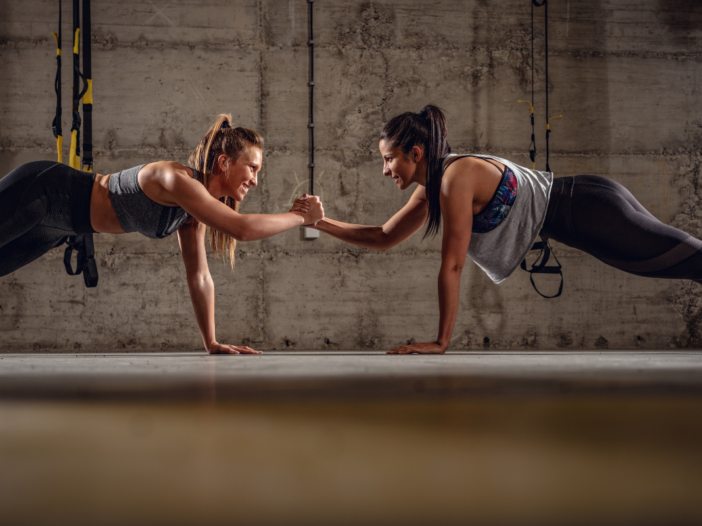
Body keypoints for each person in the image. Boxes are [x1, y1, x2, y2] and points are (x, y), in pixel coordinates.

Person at [301, 105, 702, 354]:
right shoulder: (432, 187)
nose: (385, 170)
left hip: (590, 208)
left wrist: (441, 342)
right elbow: (384, 237)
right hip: (586, 211)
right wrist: (319, 222)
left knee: (689, 261)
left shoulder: (455, 177)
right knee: (683, 264)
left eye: (389, 160)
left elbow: (453, 265)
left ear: (415, 154)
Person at [0, 114, 323, 354]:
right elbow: (242, 229)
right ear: (224, 163)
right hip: (43, 192)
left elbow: (199, 276)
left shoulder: (192, 211)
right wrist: (298, 217)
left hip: (60, 226)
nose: (254, 180)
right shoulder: (175, 179)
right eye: (252, 168)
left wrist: (211, 342)